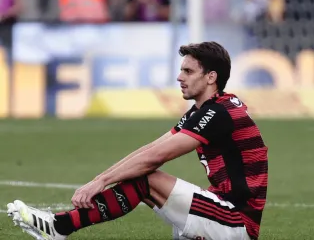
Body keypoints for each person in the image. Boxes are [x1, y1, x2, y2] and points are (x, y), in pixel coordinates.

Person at [7, 41, 268, 240]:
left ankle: (59, 226)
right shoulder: (206, 110)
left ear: (211, 77)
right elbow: (151, 149)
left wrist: (100, 182)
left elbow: (156, 158)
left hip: (237, 222)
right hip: (223, 211)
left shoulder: (218, 113)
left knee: (146, 179)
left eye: (188, 71)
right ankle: (59, 226)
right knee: (142, 177)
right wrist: (100, 179)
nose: (179, 77)